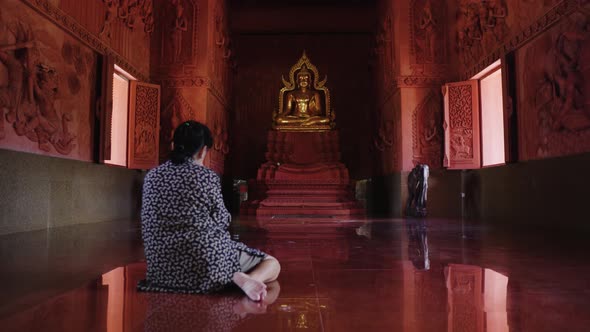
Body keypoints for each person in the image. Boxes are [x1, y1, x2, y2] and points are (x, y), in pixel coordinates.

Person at [138, 121, 281, 301]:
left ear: (173, 146)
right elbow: (222, 220)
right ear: (202, 151)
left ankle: (234, 275)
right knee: (272, 264)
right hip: (207, 264)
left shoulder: (151, 176)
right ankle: (247, 279)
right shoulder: (206, 176)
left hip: (161, 269)